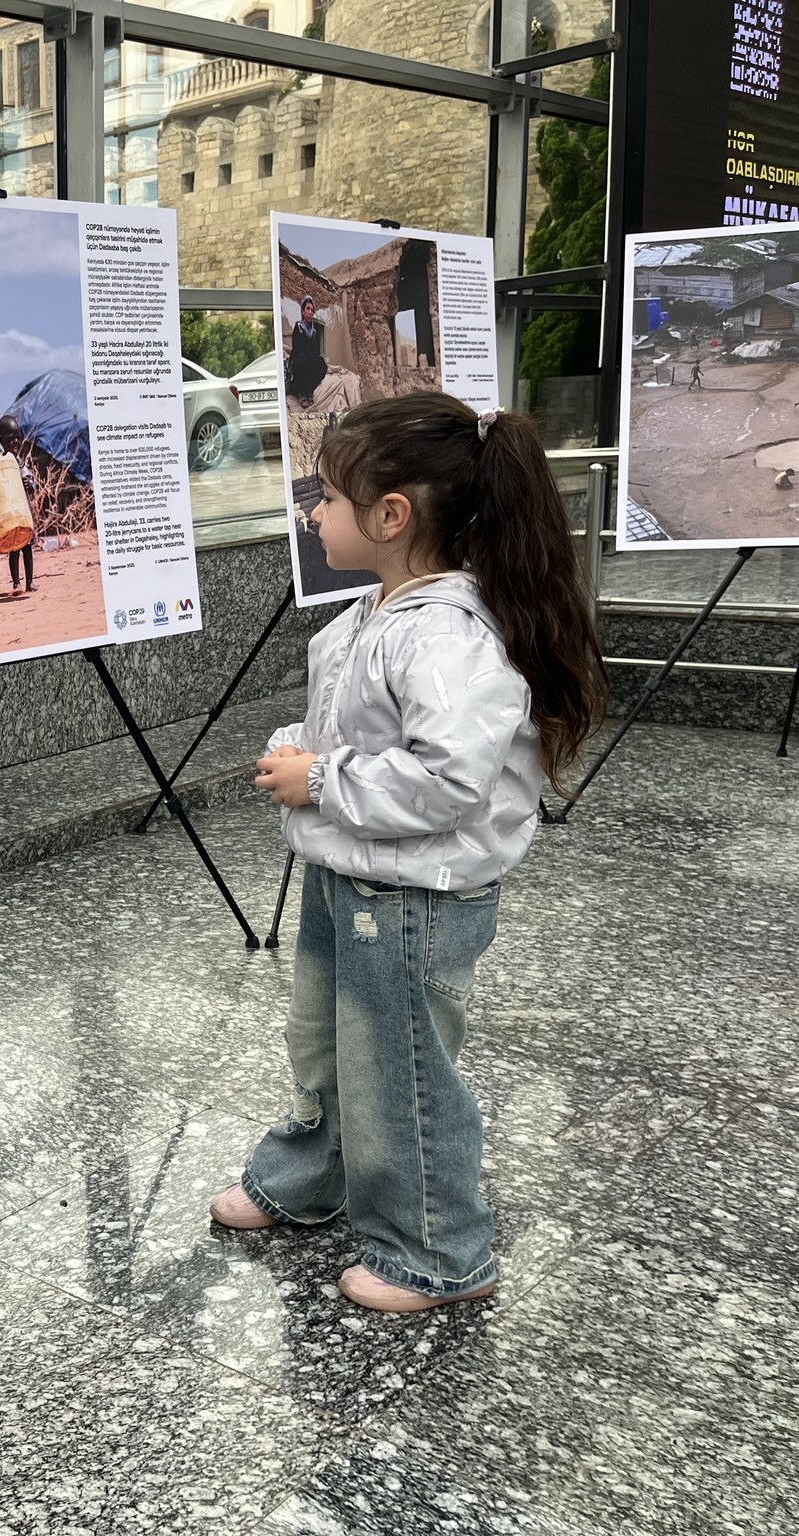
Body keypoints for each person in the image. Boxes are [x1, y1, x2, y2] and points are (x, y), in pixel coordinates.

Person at [213, 394, 607, 1314]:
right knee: (325, 1047)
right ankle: (315, 1175)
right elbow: (358, 731)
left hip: (411, 899)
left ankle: (437, 1248)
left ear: (392, 517)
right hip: (348, 876)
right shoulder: (384, 610)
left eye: (329, 498)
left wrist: (322, 781)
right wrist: (304, 755)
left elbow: (447, 780)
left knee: (402, 1070)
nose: (313, 512)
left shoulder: (448, 634)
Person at [0, 413, 37, 593]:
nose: (15, 442)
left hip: (25, 513)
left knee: (27, 549)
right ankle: (16, 583)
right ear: (1, 439)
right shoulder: (1, 463)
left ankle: (30, 581)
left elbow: (32, 484)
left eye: (18, 438)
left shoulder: (21, 464)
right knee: (14, 550)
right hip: (11, 514)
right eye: (11, 439)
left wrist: (31, 485)